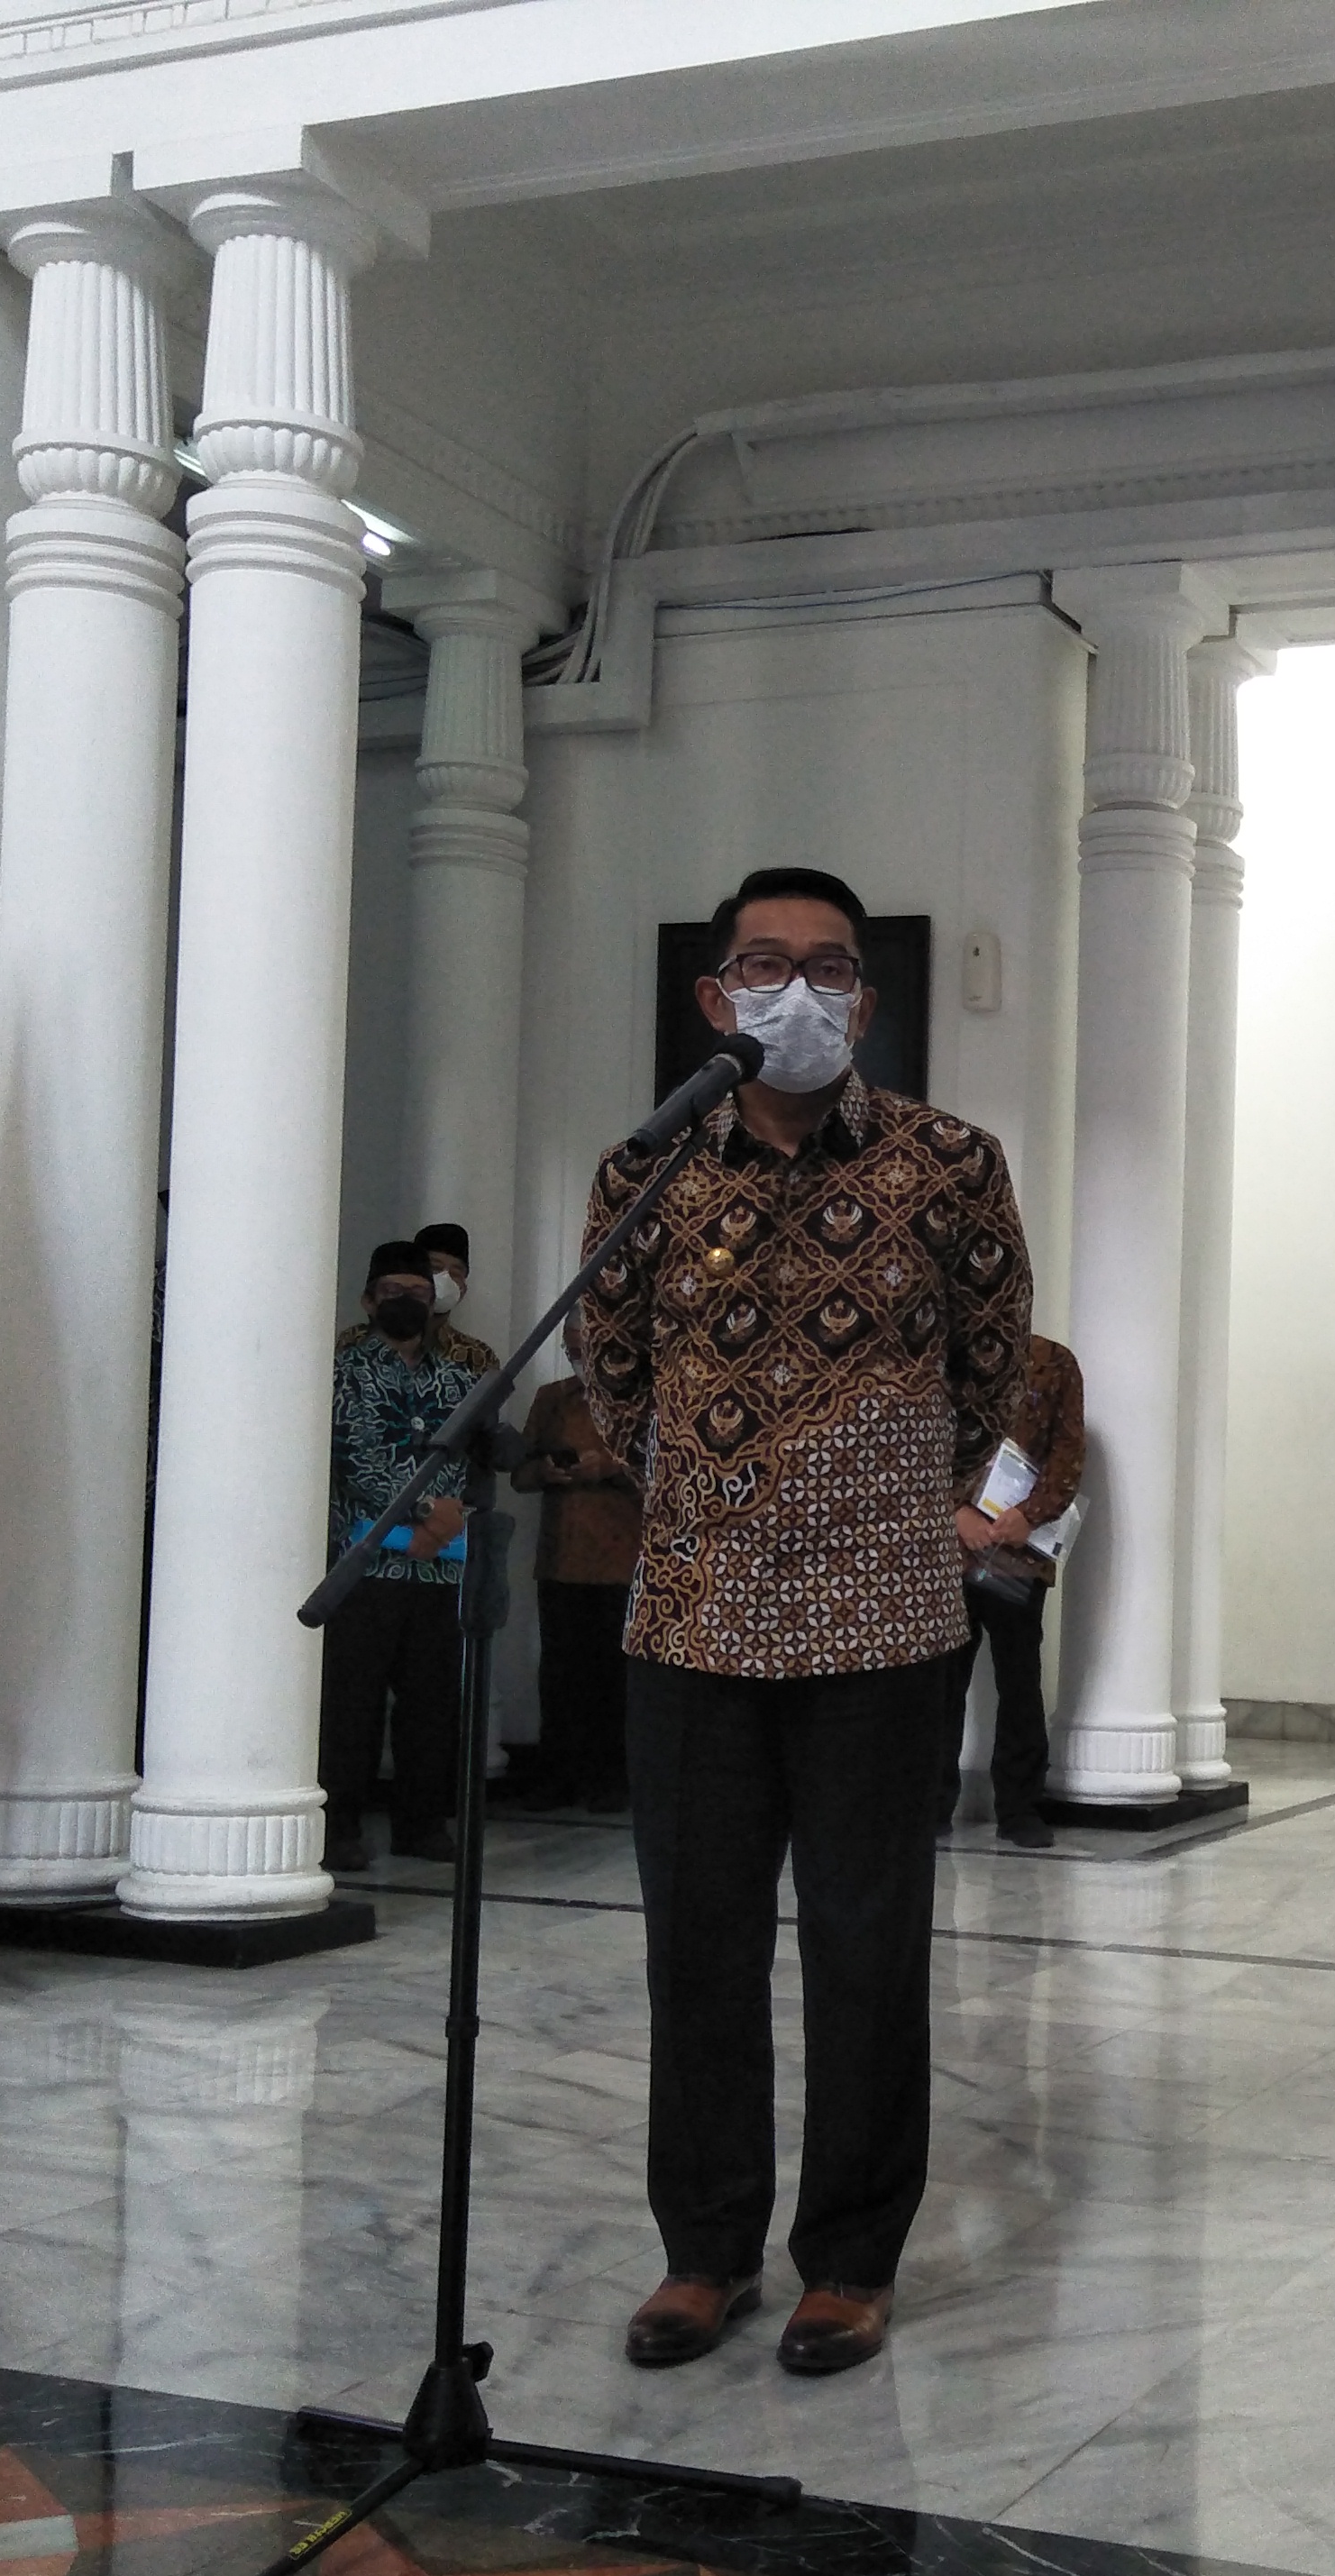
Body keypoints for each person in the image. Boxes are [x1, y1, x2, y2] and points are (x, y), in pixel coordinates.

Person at [578, 863, 1031, 2379]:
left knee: (865, 1949)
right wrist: (715, 1503)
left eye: (829, 968)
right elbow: (612, 1372)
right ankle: (703, 2249)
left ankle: (849, 2259)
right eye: (766, 965)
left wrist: (880, 1501)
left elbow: (990, 1366)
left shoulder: (949, 1164)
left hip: (883, 1625)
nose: (799, 990)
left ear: (866, 1001)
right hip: (693, 1619)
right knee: (697, 1950)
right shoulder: (644, 1168)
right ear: (717, 997)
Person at [319, 1239, 482, 1875]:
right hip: (365, 1564)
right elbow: (353, 1456)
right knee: (352, 1704)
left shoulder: (460, 1381)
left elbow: (469, 1460)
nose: (406, 1302)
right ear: (368, 1301)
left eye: (417, 1293)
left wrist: (442, 1518)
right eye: (393, 1293)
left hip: (439, 1565)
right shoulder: (342, 1372)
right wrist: (422, 1513)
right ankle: (340, 1828)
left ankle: (422, 1824)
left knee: (433, 1703)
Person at [937, 1331, 1084, 1848]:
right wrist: (955, 1512)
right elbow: (913, 1446)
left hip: (1018, 1554)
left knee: (1019, 1679)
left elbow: (1068, 1452)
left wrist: (1030, 1514)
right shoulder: (938, 1354)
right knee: (938, 1681)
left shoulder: (1052, 1361)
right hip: (947, 1551)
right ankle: (930, 1805)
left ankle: (1020, 1807)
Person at [513, 1374, 641, 1811]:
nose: (581, 1357)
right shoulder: (553, 1398)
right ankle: (557, 1776)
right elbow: (519, 1474)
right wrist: (545, 1471)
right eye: (571, 1349)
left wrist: (611, 1467)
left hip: (623, 1561)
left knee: (615, 1678)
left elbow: (673, 1469)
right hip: (561, 1558)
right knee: (560, 1676)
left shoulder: (643, 1395)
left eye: (585, 1347)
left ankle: (612, 1780)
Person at [336, 1218, 499, 1377]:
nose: (445, 1278)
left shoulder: (477, 1355)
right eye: (435, 1268)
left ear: (463, 1289)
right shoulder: (355, 1340)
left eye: (456, 1273)